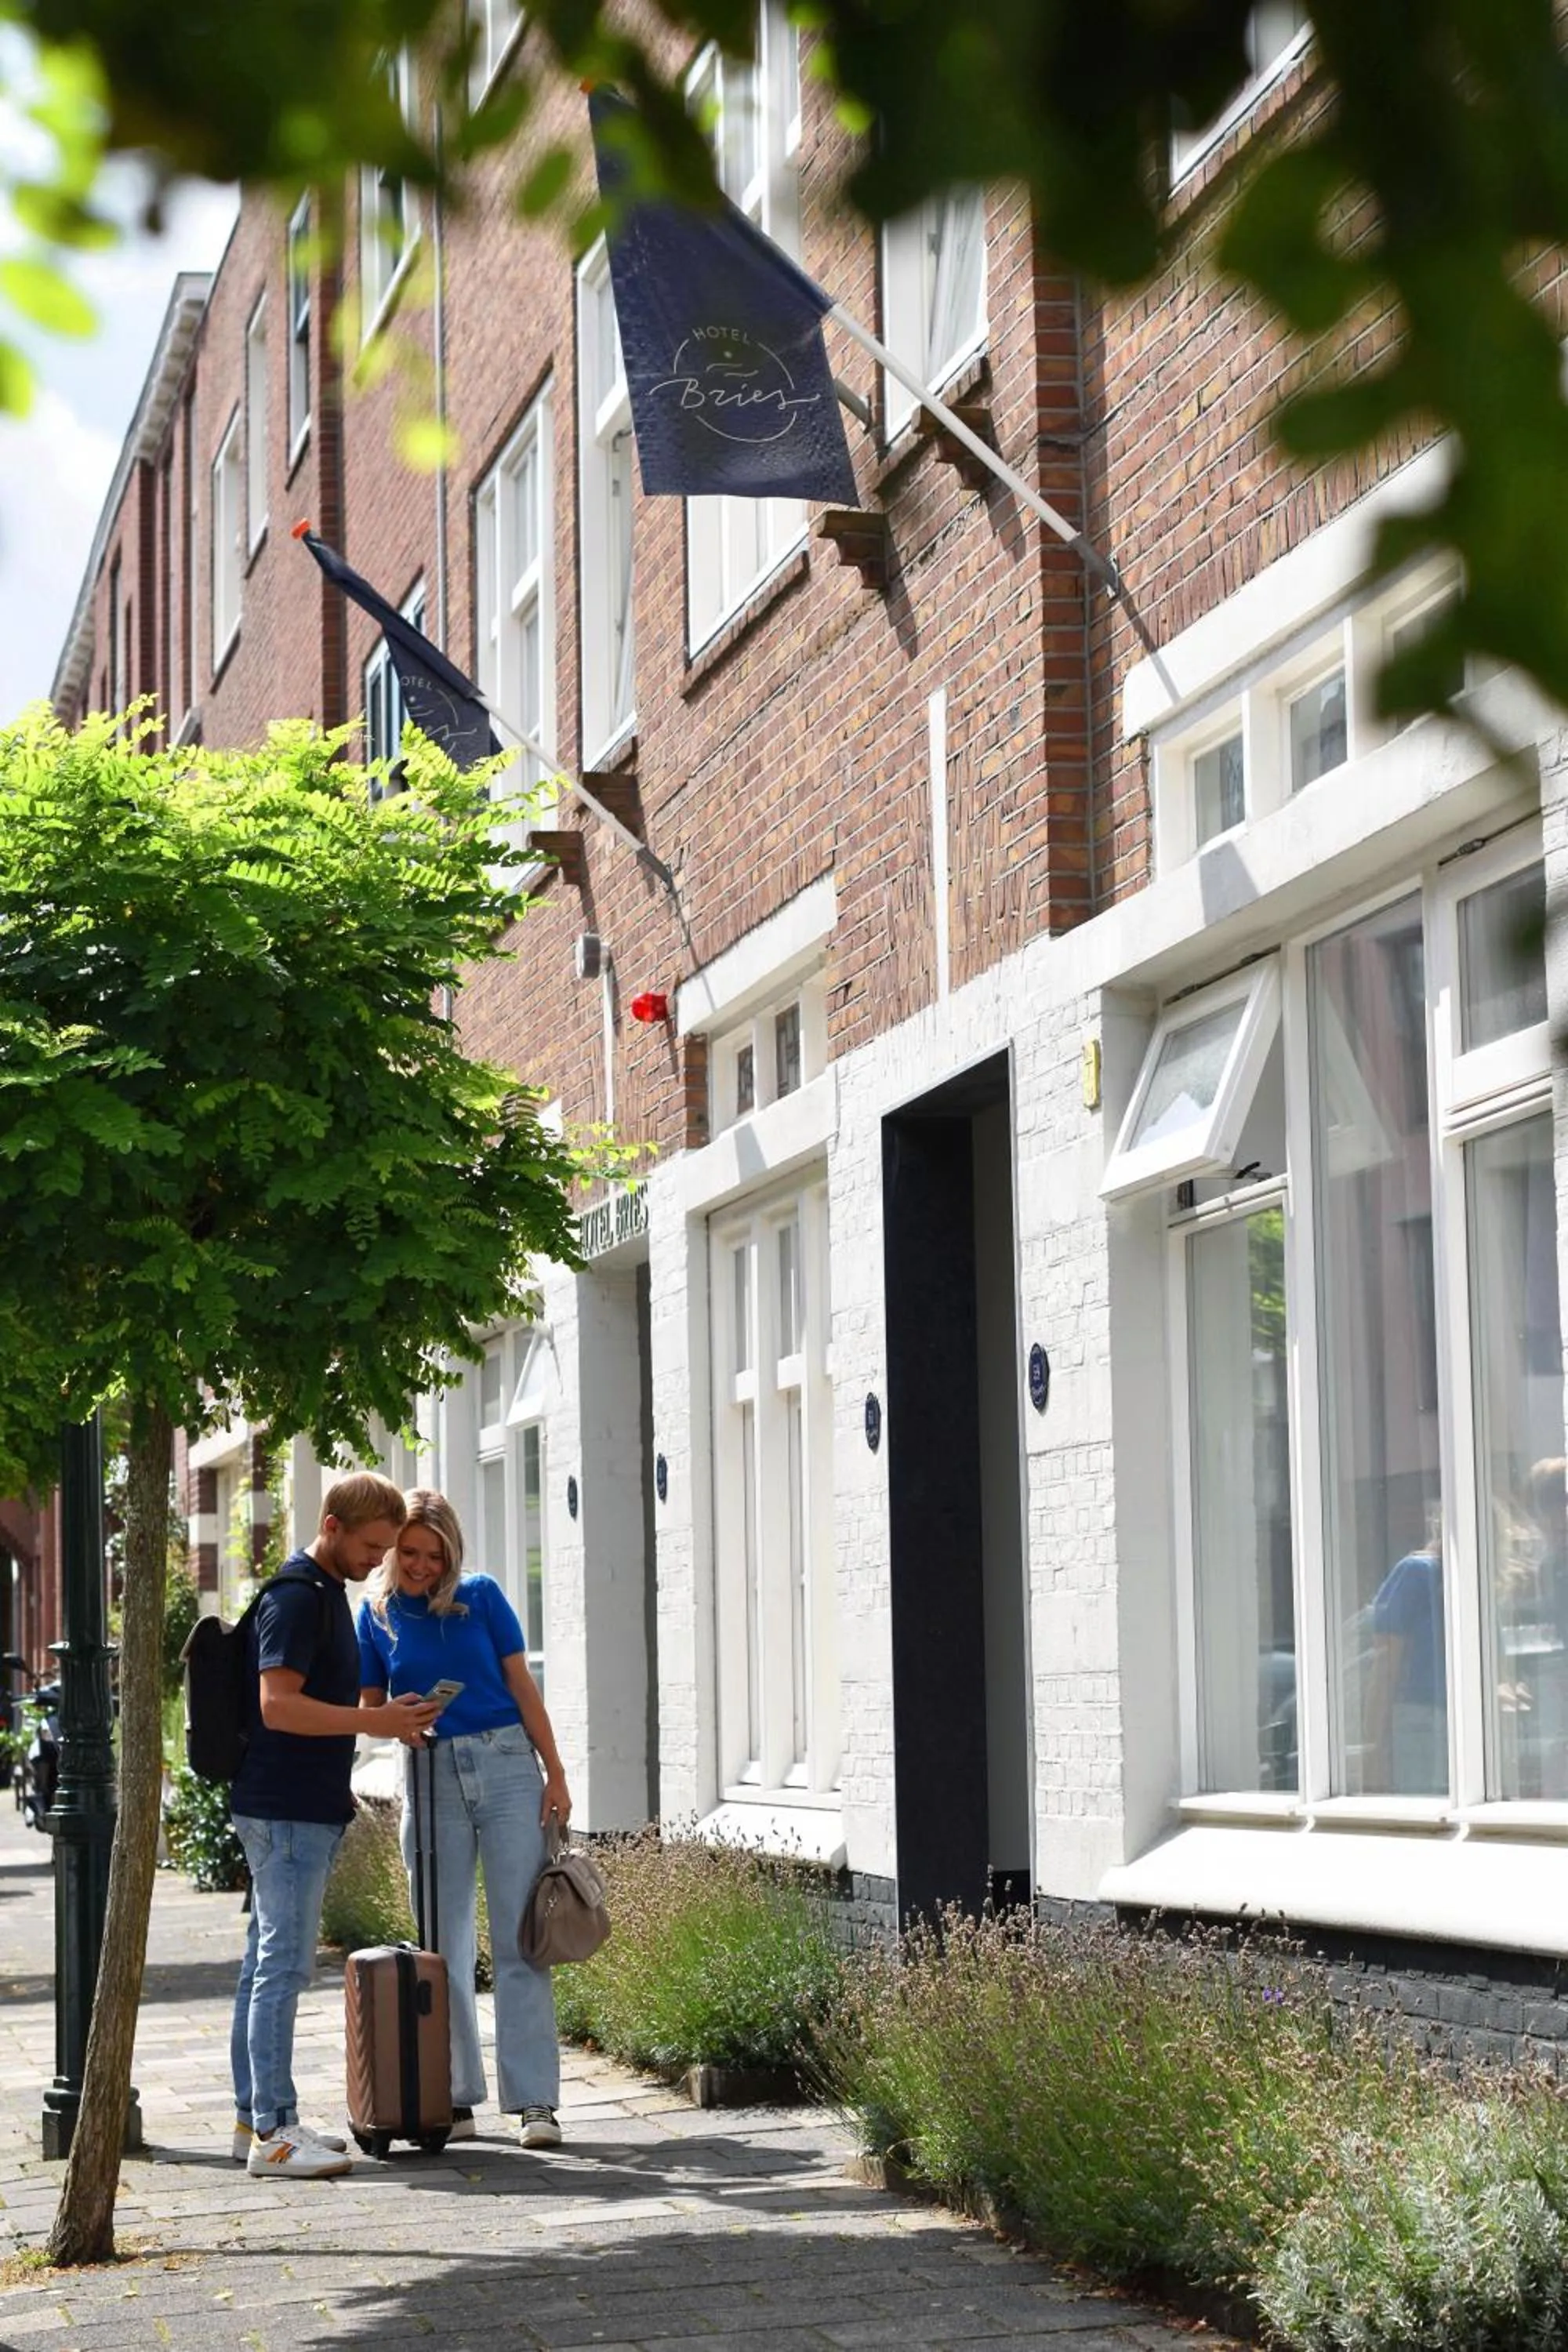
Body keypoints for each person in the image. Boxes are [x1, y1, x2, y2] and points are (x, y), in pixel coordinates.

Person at [230, 1473, 440, 2180]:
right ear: (331, 1525)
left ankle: (255, 2119)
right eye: (372, 1545)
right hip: (285, 1809)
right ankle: (273, 2133)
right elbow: (278, 1706)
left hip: (294, 1806)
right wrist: (370, 1720)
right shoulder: (297, 1598)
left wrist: (387, 1717)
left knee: (265, 1963)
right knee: (283, 1967)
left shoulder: (320, 1595)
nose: (378, 1560)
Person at [358, 1487, 571, 2149]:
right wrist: (401, 1725)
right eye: (409, 1553)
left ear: (452, 1552)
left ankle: (535, 2103)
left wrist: (556, 1771)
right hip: (429, 1774)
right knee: (441, 1947)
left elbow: (520, 1685)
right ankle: (452, 2096)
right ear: (392, 1551)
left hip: (507, 1766)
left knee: (518, 1941)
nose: (420, 1565)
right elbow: (370, 1701)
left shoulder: (481, 1595)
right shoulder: (377, 1615)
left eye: (433, 1553)